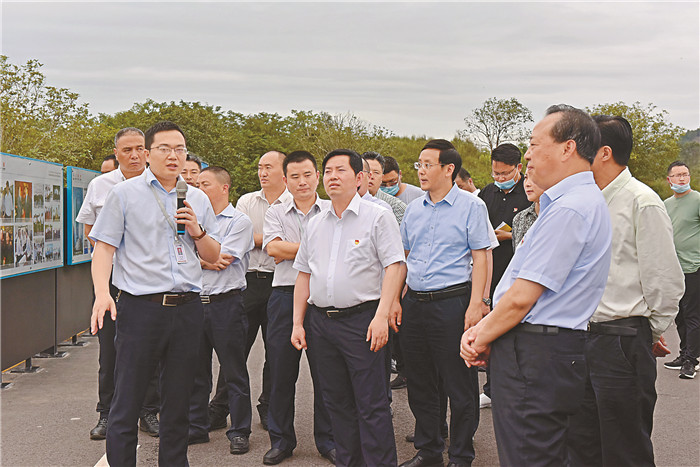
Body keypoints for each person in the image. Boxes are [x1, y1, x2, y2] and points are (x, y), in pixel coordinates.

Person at [461, 104, 612, 466]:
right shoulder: (571, 202)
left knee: (528, 455)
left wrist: (479, 336)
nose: (527, 154)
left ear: (567, 148)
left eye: (533, 143)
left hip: (536, 353)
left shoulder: (570, 208)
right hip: (541, 350)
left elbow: (522, 298)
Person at [89, 121, 221, 466]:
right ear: (148, 154)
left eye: (180, 149)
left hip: (188, 308)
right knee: (128, 398)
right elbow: (103, 249)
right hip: (140, 309)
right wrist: (102, 293)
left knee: (178, 401)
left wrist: (197, 231)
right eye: (165, 149)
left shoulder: (197, 198)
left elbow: (212, 255)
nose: (174, 155)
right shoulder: (124, 194)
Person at [567, 115, 684, 466]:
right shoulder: (585, 200)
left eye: (581, 146)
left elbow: (665, 279)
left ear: (604, 152)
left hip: (620, 340)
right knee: (581, 446)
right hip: (579, 338)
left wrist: (648, 332)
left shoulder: (641, 202)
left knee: (624, 449)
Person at [291, 149, 406, 467]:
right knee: (337, 404)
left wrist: (382, 315)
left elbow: (395, 266)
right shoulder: (315, 223)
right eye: (328, 170)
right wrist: (298, 323)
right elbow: (304, 274)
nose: (332, 176)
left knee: (372, 404)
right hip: (321, 324)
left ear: (359, 178)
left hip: (363, 321)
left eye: (340, 170)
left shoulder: (377, 216)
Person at [397, 139, 491, 467]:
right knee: (420, 382)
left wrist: (477, 303)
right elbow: (404, 257)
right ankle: (429, 449)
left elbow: (481, 257)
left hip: (452, 303)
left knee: (459, 383)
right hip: (415, 304)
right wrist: (395, 299)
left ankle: (461, 455)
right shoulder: (413, 209)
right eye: (419, 165)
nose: (421, 171)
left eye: (428, 165)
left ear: (449, 169)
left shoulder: (471, 206)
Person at [75, 127, 161, 440]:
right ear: (116, 153)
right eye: (127, 150)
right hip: (110, 278)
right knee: (110, 349)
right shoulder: (101, 185)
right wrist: (114, 249)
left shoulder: (160, 185)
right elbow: (90, 231)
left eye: (139, 149)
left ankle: (148, 411)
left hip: (147, 278)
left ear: (148, 152)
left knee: (150, 348)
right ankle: (107, 413)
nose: (134, 155)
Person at [209, 151, 292, 432]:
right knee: (234, 350)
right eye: (259, 167)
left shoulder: (293, 203)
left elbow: (292, 243)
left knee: (276, 351)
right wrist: (275, 243)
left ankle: (269, 407)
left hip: (280, 283)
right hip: (247, 282)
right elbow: (240, 240)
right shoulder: (247, 201)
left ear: (284, 172)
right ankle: (219, 408)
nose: (262, 172)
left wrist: (266, 242)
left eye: (268, 167)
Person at [262, 151, 335, 465]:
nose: (302, 182)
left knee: (327, 374)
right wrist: (318, 249)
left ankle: (329, 440)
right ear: (285, 179)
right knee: (280, 373)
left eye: (307, 175)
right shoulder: (276, 211)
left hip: (322, 299)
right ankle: (281, 440)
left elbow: (285, 249)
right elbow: (273, 248)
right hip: (284, 295)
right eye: (294, 176)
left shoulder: (333, 209)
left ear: (317, 176)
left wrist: (292, 250)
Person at [187, 166, 255, 455]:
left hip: (226, 303)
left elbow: (223, 259)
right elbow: (178, 258)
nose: (199, 188)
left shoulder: (239, 222)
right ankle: (196, 426)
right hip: (193, 304)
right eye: (197, 184)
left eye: (205, 184)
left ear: (224, 187)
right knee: (196, 371)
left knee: (233, 371)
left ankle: (239, 431)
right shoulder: (191, 220)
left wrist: (197, 258)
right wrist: (204, 259)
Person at [477, 143, 531, 408]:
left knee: (519, 334)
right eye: (495, 173)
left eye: (505, 173)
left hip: (519, 273)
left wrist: (509, 235)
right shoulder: (487, 193)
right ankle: (491, 388)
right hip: (491, 270)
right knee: (493, 331)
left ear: (518, 168)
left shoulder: (530, 191)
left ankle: (521, 388)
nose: (499, 178)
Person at [663, 161, 700, 379]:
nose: (682, 178)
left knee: (693, 314)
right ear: (669, 180)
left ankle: (691, 361)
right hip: (674, 269)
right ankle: (685, 353)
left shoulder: (697, 200)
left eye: (685, 174)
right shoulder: (666, 205)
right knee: (680, 316)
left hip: (694, 266)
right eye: (677, 175)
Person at [362, 151, 407, 224]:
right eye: (367, 171)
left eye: (376, 172)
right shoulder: (346, 202)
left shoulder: (396, 206)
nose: (371, 176)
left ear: (382, 178)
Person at [511, 170, 543, 251]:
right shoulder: (519, 218)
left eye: (534, 178)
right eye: (526, 178)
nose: (527, 184)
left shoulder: (562, 215)